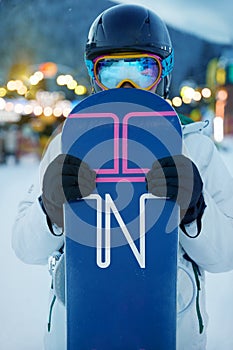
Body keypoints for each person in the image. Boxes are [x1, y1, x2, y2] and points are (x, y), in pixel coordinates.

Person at [12, 4, 233, 350]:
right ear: (94, 76)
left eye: (143, 70)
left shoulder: (196, 151)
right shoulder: (67, 148)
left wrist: (195, 211)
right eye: (112, 72)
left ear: (164, 74)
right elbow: (24, 247)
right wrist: (49, 209)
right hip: (80, 331)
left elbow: (226, 255)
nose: (127, 86)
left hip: (170, 333)